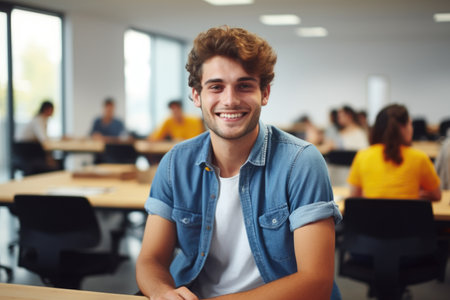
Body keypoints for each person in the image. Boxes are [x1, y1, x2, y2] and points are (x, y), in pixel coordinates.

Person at [136, 26, 342, 300]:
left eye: (244, 85)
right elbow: (151, 259)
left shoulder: (301, 162)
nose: (230, 100)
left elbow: (315, 282)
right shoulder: (176, 163)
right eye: (216, 87)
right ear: (197, 96)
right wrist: (162, 292)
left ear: (264, 93)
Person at [347, 104, 441, 200]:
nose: (412, 128)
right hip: (408, 215)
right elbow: (437, 195)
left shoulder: (362, 156)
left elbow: (354, 197)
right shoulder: (419, 158)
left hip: (374, 214)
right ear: (403, 128)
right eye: (410, 124)